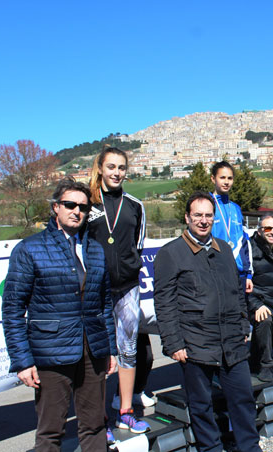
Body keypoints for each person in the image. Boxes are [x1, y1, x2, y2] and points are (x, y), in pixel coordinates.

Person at [2, 177, 117, 451]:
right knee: (51, 431)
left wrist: (110, 348)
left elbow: (105, 305)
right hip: (50, 352)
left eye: (83, 207)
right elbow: (13, 309)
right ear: (56, 207)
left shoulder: (96, 250)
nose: (77, 211)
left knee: (94, 425)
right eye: (69, 204)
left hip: (93, 352)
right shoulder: (29, 250)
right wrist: (22, 361)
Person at [153, 191, 262, 452]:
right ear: (187, 217)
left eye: (208, 216)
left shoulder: (223, 249)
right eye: (198, 215)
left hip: (232, 342)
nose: (203, 221)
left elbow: (236, 292)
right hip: (195, 343)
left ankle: (249, 447)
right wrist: (173, 343)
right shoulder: (171, 253)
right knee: (202, 406)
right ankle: (210, 448)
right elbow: (164, 303)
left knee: (243, 399)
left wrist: (243, 324)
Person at [88, 147, 151, 438]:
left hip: (126, 288)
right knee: (99, 356)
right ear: (100, 168)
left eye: (121, 167)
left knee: (128, 351)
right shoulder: (87, 202)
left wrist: (130, 267)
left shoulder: (136, 205)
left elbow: (137, 247)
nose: (116, 172)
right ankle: (98, 421)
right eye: (111, 166)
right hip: (94, 291)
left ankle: (125, 411)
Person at [248, 215, 273, 382]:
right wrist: (256, 305)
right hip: (256, 302)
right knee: (264, 321)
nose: (272, 232)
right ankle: (265, 365)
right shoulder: (249, 249)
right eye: (267, 229)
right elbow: (242, 282)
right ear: (259, 230)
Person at [209, 161, 253, 294]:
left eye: (230, 178)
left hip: (239, 275)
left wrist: (249, 274)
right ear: (213, 179)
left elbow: (245, 241)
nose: (226, 182)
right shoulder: (207, 205)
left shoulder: (235, 208)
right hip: (216, 273)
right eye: (222, 177)